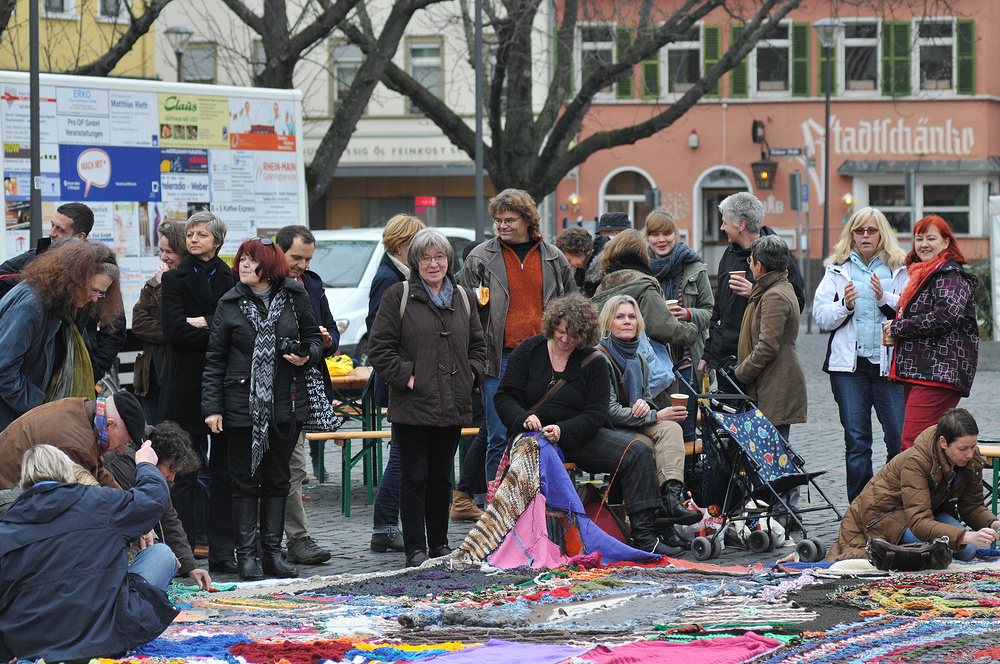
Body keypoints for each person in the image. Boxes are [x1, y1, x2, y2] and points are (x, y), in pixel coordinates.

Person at [494, 293, 675, 556]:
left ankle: (644, 537)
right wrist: (522, 418)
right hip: (534, 435)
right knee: (538, 452)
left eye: (574, 336)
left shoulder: (593, 361)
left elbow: (595, 414)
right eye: (561, 332)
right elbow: (504, 397)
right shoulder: (529, 350)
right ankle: (530, 537)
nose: (566, 339)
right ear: (553, 325)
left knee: (638, 452)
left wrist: (564, 430)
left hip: (579, 434)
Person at [203, 237, 323, 580]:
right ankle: (247, 557)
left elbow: (315, 340)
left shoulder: (294, 295)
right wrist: (212, 408)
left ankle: (272, 554)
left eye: (251, 260)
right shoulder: (229, 302)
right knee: (243, 481)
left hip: (286, 402)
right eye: (241, 259)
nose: (243, 265)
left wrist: (305, 354)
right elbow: (215, 361)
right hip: (242, 405)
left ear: (267, 267)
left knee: (278, 478)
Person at [368, 228, 487, 567]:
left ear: (449, 261)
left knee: (440, 477)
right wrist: (408, 378)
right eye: (425, 257)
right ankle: (414, 547)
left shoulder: (463, 297)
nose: (433, 264)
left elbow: (478, 346)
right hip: (413, 404)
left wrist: (470, 376)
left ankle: (439, 544)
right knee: (414, 476)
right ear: (415, 261)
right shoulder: (398, 295)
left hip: (452, 402)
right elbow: (379, 348)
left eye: (439, 257)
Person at [0, 443, 179, 662]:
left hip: (32, 644)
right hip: (105, 637)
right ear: (69, 474)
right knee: (161, 555)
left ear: (25, 482)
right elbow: (153, 499)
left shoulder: (7, 527)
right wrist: (145, 465)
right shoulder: (101, 502)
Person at [459, 189, 576, 487]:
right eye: (498, 220)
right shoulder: (479, 258)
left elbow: (574, 305)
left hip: (546, 358)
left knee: (544, 433)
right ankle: (494, 507)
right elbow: (462, 311)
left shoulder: (553, 257)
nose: (502, 225)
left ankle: (539, 503)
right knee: (498, 434)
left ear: (528, 220)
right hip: (497, 360)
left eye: (509, 219)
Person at [813, 208, 909, 502]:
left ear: (882, 234)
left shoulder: (900, 267)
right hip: (849, 369)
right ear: (851, 235)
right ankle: (860, 510)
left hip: (888, 368)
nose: (865, 236)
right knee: (857, 442)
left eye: (871, 230)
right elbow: (821, 316)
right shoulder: (837, 268)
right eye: (859, 231)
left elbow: (910, 311)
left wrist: (884, 298)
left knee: (898, 440)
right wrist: (845, 304)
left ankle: (895, 504)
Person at [160, 211, 235, 574]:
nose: (193, 239)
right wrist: (214, 324)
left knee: (224, 472)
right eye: (190, 234)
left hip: (223, 385)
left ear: (217, 241)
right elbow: (173, 330)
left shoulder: (230, 278)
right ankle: (183, 553)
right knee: (184, 472)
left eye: (201, 234)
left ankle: (223, 550)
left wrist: (204, 322)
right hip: (184, 386)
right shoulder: (174, 279)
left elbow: (235, 330)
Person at [827, 408, 1000, 562]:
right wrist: (965, 535)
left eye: (973, 446)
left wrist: (993, 524)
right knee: (948, 547)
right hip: (884, 516)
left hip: (925, 514)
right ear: (943, 443)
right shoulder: (916, 461)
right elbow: (919, 522)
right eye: (963, 449)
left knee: (967, 550)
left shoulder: (972, 458)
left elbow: (972, 506)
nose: (970, 454)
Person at [595, 296, 698, 531]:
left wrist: (647, 407)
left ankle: (671, 501)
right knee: (648, 449)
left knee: (672, 427)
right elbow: (608, 412)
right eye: (619, 317)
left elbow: (647, 399)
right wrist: (653, 415)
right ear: (608, 322)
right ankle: (656, 525)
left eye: (632, 316)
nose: (627, 321)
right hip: (610, 429)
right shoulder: (600, 357)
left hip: (635, 420)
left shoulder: (638, 357)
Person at [0, 239, 122, 429]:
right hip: (13, 420)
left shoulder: (57, 304)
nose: (95, 299)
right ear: (73, 278)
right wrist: (37, 409)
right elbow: (4, 370)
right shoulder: (32, 306)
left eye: (101, 293)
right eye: (93, 290)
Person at [0, 203, 127, 382]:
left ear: (80, 237)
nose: (51, 233)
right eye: (52, 225)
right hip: (32, 382)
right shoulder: (33, 263)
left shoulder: (100, 271)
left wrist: (90, 373)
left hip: (72, 377)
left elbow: (114, 329)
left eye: (59, 229)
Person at [883, 215, 979, 450]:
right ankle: (941, 487)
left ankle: (919, 487)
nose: (924, 244)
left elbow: (945, 317)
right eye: (919, 238)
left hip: (938, 374)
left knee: (914, 445)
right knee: (932, 445)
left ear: (946, 243)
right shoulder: (923, 273)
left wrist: (898, 327)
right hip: (923, 372)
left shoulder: (949, 274)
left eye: (931, 238)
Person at [274, 225, 338, 566]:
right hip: (269, 389)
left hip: (302, 388)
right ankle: (267, 540)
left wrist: (323, 343)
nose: (302, 264)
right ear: (278, 251)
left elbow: (329, 330)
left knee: (295, 467)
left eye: (308, 258)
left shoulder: (311, 283)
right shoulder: (261, 284)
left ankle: (297, 538)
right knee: (273, 468)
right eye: (296, 257)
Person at [699, 192, 805, 383]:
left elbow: (796, 303)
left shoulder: (777, 254)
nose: (722, 227)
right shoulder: (729, 255)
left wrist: (755, 291)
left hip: (759, 361)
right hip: (726, 360)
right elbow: (719, 310)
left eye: (725, 222)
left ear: (741, 225)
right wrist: (709, 354)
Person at [367, 214, 426, 553]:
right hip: (399, 381)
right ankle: (385, 525)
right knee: (403, 456)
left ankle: (386, 525)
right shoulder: (388, 279)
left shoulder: (400, 274)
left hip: (401, 379)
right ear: (405, 245)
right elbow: (379, 332)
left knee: (404, 454)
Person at [104, 421, 211, 590]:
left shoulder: (152, 469)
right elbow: (133, 514)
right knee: (162, 555)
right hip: (110, 550)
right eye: (170, 469)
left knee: (162, 554)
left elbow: (169, 517)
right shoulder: (124, 461)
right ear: (155, 457)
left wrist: (191, 566)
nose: (172, 477)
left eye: (176, 472)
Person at [645, 209, 714, 438]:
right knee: (655, 430)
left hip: (686, 365)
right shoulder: (640, 271)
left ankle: (690, 474)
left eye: (666, 233)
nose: (661, 239)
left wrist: (687, 313)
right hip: (651, 366)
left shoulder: (694, 268)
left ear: (676, 234)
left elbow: (710, 312)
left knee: (686, 431)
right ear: (647, 237)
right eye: (655, 234)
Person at [733, 235, 806, 442]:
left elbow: (767, 346)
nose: (750, 265)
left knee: (773, 453)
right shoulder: (776, 287)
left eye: (751, 261)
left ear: (760, 265)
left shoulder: (775, 295)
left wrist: (742, 372)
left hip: (778, 382)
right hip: (774, 379)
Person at [591, 229, 700, 365]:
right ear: (642, 253)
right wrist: (692, 331)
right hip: (640, 365)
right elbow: (664, 327)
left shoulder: (603, 286)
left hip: (609, 361)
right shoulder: (644, 286)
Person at [0, 390, 146, 490]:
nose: (121, 450)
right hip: (8, 496)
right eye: (123, 442)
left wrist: (128, 507)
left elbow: (98, 471)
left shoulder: (83, 409)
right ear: (110, 424)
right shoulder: (78, 444)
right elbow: (88, 499)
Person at [132, 221, 188, 425]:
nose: (163, 257)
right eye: (161, 251)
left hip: (178, 380)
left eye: (170, 251)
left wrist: (165, 286)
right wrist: (173, 331)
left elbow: (179, 323)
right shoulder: (153, 282)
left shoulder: (187, 284)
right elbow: (138, 322)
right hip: (150, 379)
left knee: (186, 446)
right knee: (154, 440)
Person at [583, 212, 631, 297]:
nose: (605, 240)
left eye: (609, 235)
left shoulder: (632, 256)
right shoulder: (594, 255)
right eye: (602, 236)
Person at [554, 226, 595, 291]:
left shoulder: (601, 270)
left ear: (580, 250)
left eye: (569, 260)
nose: (570, 265)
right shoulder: (581, 272)